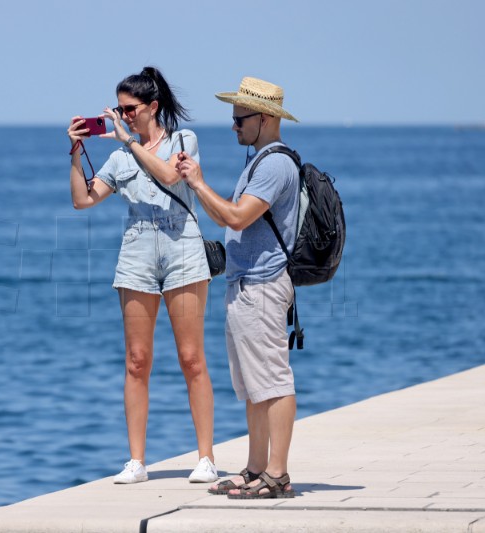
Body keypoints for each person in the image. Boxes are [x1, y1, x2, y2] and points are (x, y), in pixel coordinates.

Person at [66, 66, 217, 484]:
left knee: (191, 358)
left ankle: (205, 457)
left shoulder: (184, 141)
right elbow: (83, 201)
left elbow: (170, 175)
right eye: (119, 109)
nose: (123, 115)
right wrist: (76, 156)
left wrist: (130, 142)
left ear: (152, 107)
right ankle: (136, 461)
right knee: (137, 361)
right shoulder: (118, 157)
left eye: (130, 109)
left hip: (182, 248)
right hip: (137, 253)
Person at [176, 76, 300, 498]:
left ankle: (278, 475)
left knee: (274, 382)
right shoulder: (259, 159)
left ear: (264, 119)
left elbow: (236, 216)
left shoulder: (275, 164)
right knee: (253, 384)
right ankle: (256, 468)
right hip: (247, 284)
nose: (233, 127)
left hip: (263, 285)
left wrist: (197, 182)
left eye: (239, 119)